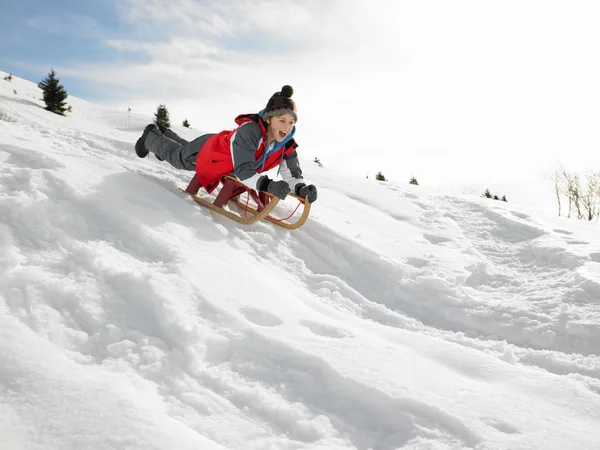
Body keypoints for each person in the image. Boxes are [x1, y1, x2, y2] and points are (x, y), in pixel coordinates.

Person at [134, 85, 318, 203]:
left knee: (183, 150)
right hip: (210, 151)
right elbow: (244, 172)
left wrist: (301, 188)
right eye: (282, 120)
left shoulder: (287, 143)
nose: (287, 127)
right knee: (179, 158)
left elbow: (292, 173)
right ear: (269, 119)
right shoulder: (250, 132)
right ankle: (150, 136)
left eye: (291, 122)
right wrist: (268, 186)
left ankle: (165, 134)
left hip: (225, 155)